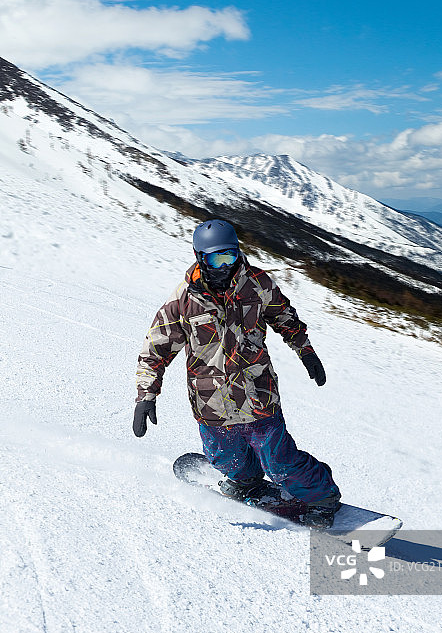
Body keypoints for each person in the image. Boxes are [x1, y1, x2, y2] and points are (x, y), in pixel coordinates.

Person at [133, 218, 341, 528]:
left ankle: (321, 496)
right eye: (216, 259)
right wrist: (146, 396)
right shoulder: (183, 301)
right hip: (210, 400)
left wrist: (305, 351)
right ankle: (246, 482)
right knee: (224, 457)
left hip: (257, 393)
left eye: (230, 256)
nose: (225, 266)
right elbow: (155, 349)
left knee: (279, 461)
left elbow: (286, 318)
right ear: (200, 257)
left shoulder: (256, 284)